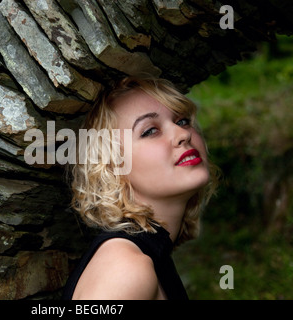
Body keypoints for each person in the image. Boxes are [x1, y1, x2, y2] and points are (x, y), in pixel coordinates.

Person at [62, 76, 219, 300]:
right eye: (150, 131)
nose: (183, 134)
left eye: (182, 121)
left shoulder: (149, 255)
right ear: (112, 167)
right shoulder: (125, 268)